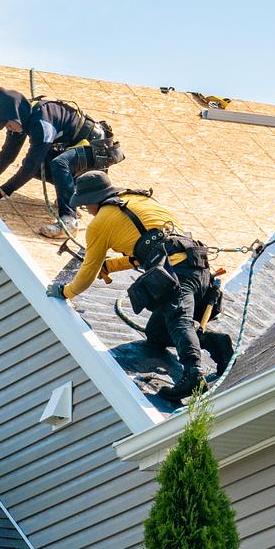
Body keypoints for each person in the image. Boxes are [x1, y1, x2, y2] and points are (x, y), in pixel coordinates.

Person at [46, 171, 233, 402]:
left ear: (92, 201)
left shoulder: (100, 224)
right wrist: (111, 266)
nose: (87, 211)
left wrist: (65, 292)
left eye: (85, 206)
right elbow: (148, 249)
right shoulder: (139, 199)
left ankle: (193, 374)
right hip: (200, 266)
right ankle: (217, 343)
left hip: (177, 275)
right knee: (157, 334)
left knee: (179, 321)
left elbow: (86, 274)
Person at [0, 87, 123, 237]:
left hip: (95, 150)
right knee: (40, 165)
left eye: (8, 124)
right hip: (74, 150)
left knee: (59, 163)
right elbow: (8, 153)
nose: (8, 128)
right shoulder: (19, 121)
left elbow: (30, 167)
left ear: (15, 114)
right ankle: (70, 195)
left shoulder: (42, 121)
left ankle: (69, 221)